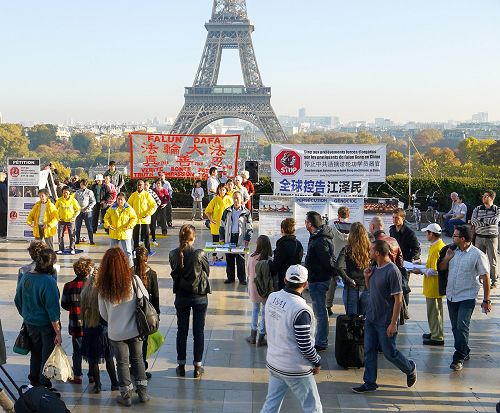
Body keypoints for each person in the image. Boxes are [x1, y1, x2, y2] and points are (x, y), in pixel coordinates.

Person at [352, 240, 417, 393]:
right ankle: (369, 383)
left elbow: (398, 299)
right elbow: (373, 291)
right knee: (369, 351)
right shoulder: (374, 268)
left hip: (385, 320)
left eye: (371, 250)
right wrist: (367, 278)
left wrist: (393, 323)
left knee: (389, 353)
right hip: (371, 318)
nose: (368, 252)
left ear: (378, 253)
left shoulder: (392, 271)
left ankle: (409, 368)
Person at [260, 264, 323, 413]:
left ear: (285, 280)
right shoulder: (301, 309)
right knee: (313, 407)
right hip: (295, 368)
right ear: (305, 284)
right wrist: (317, 361)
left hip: (274, 362)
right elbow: (305, 345)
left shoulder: (272, 297)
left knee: (271, 404)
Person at [97, 247, 150, 406]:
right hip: (135, 329)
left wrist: (114, 320)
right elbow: (145, 298)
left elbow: (103, 314)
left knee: (121, 363)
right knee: (138, 359)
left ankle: (126, 396)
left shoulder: (103, 287)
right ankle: (143, 393)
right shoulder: (134, 280)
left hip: (116, 332)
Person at [438, 225, 492, 371]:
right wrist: (448, 258)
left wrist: (486, 300)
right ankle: (465, 349)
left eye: (455, 236)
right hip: (451, 295)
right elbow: (442, 268)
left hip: (467, 297)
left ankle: (459, 357)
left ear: (463, 239)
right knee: (456, 327)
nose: (452, 237)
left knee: (462, 326)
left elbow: (486, 277)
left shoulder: (477, 254)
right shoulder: (452, 251)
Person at [14, 248, 62, 389]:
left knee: (35, 353)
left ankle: (33, 381)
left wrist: (27, 315)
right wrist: (58, 332)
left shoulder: (26, 277)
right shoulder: (49, 282)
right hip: (46, 325)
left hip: (30, 323)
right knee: (46, 355)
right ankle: (43, 384)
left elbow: (17, 299)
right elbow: (53, 311)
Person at [169, 225, 211, 378]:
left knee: (182, 331)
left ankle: (181, 365)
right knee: (198, 332)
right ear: (194, 238)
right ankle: (197, 367)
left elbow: (175, 272)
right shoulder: (199, 253)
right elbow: (207, 271)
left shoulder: (173, 254)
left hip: (181, 295)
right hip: (199, 296)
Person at [81, 269, 119, 393]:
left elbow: (82, 313)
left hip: (89, 329)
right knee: (109, 358)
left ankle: (98, 385)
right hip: (104, 329)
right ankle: (114, 383)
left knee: (93, 360)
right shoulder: (103, 293)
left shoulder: (85, 293)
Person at [304, 211, 336, 351]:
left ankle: (321, 341)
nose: (305, 223)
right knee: (319, 312)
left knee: (320, 312)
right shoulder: (317, 237)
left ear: (310, 224)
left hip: (319, 280)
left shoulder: (320, 240)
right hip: (317, 278)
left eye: (306, 221)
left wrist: (331, 274)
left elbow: (327, 261)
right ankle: (320, 339)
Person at [410, 223, 446, 346]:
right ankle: (435, 331)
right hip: (432, 285)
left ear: (432, 234)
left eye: (427, 232)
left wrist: (420, 270)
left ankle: (437, 336)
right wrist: (421, 265)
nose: (426, 234)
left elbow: (436, 270)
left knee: (434, 311)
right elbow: (431, 265)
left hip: (434, 286)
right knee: (435, 311)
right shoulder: (435, 246)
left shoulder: (438, 248)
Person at [61, 257, 92, 385]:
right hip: (91, 324)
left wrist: (73, 308)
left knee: (77, 351)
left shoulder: (68, 286)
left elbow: (64, 304)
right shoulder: (92, 286)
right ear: (88, 271)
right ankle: (92, 376)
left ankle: (78, 376)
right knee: (91, 351)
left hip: (76, 324)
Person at [134, 246, 160, 379]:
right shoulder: (152, 274)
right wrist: (157, 314)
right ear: (147, 258)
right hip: (146, 314)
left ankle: (133, 366)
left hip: (133, 312)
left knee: (133, 340)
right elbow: (155, 296)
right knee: (143, 341)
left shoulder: (130, 273)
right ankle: (142, 367)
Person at [336, 222, 371, 315]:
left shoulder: (347, 249)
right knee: (364, 319)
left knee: (352, 320)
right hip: (367, 286)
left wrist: (348, 280)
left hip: (352, 286)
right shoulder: (370, 249)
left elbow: (338, 266)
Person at [219, 191, 253, 285]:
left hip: (240, 238)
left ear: (241, 199)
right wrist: (221, 237)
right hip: (229, 238)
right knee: (229, 259)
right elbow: (222, 225)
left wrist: (247, 238)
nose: (236, 200)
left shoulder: (246, 212)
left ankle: (242, 279)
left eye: (238, 198)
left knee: (240, 260)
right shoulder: (227, 211)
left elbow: (250, 227)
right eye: (234, 198)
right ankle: (230, 278)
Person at [245, 235, 272, 347]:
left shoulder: (252, 257)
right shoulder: (269, 259)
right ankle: (261, 336)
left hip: (253, 285)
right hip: (265, 287)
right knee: (265, 312)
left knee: (255, 309)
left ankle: (252, 335)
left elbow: (247, 272)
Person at [471, 190, 500, 288]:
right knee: (479, 259)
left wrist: (481, 220)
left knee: (493, 261)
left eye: (486, 196)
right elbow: (473, 221)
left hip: (492, 238)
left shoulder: (497, 209)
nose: (483, 197)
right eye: (483, 196)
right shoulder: (477, 209)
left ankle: (494, 280)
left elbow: (495, 221)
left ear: (491, 198)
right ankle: (480, 279)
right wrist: (487, 222)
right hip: (479, 237)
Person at [326, 206, 351, 316]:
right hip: (347, 260)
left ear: (338, 215)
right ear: (348, 216)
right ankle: (349, 307)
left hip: (334, 259)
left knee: (332, 284)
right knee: (348, 285)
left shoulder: (331, 227)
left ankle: (328, 306)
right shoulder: (353, 228)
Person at [269, 218, 304, 291]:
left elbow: (276, 265)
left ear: (282, 230)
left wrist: (269, 264)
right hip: (296, 279)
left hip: (284, 279)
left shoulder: (282, 245)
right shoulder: (298, 244)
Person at [103, 193, 138, 266]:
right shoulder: (112, 207)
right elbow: (106, 217)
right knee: (112, 252)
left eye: (121, 199)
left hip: (125, 233)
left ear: (125, 200)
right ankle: (112, 266)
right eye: (118, 199)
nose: (119, 201)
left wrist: (130, 225)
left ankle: (130, 267)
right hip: (114, 232)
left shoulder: (129, 208)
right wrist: (108, 225)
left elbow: (134, 218)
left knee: (128, 251)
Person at [204, 183, 233, 261]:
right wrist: (210, 219)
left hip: (227, 225)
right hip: (216, 224)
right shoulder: (215, 199)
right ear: (218, 190)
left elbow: (233, 210)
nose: (221, 191)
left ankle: (226, 257)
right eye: (220, 189)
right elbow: (207, 210)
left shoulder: (229, 199)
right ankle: (214, 257)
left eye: (223, 189)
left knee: (226, 241)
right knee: (215, 241)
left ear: (226, 190)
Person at [128, 180, 157, 254]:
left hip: (145, 219)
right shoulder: (133, 195)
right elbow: (128, 206)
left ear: (143, 185)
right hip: (135, 219)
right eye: (138, 185)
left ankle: (148, 250)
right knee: (135, 236)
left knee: (146, 235)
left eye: (140, 185)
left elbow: (154, 205)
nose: (139, 186)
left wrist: (148, 213)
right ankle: (135, 250)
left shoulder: (147, 195)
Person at [55, 185, 81, 254]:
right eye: (63, 192)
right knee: (60, 235)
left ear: (69, 192)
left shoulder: (73, 200)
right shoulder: (59, 200)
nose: (65, 194)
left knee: (72, 235)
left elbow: (78, 210)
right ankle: (61, 249)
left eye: (66, 192)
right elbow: (54, 210)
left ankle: (72, 248)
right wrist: (58, 217)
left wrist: (74, 217)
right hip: (61, 220)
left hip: (70, 221)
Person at [75, 179, 96, 245]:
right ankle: (77, 240)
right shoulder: (77, 192)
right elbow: (74, 201)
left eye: (83, 184)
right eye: (81, 184)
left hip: (87, 212)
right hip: (79, 212)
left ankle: (91, 240)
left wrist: (89, 207)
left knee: (89, 227)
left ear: (86, 185)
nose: (82, 186)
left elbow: (93, 201)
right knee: (77, 227)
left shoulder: (90, 192)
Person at [144, 181, 161, 246]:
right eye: (144, 185)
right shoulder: (140, 192)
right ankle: (142, 240)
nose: (145, 186)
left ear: (149, 185)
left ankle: (154, 239)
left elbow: (158, 201)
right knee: (144, 226)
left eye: (147, 185)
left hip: (151, 212)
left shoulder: (151, 192)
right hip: (144, 212)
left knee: (152, 226)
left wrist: (154, 208)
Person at [0, 171, 7, 238]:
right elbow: (5, 197)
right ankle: (2, 232)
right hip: (2, 207)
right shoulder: (3, 186)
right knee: (2, 220)